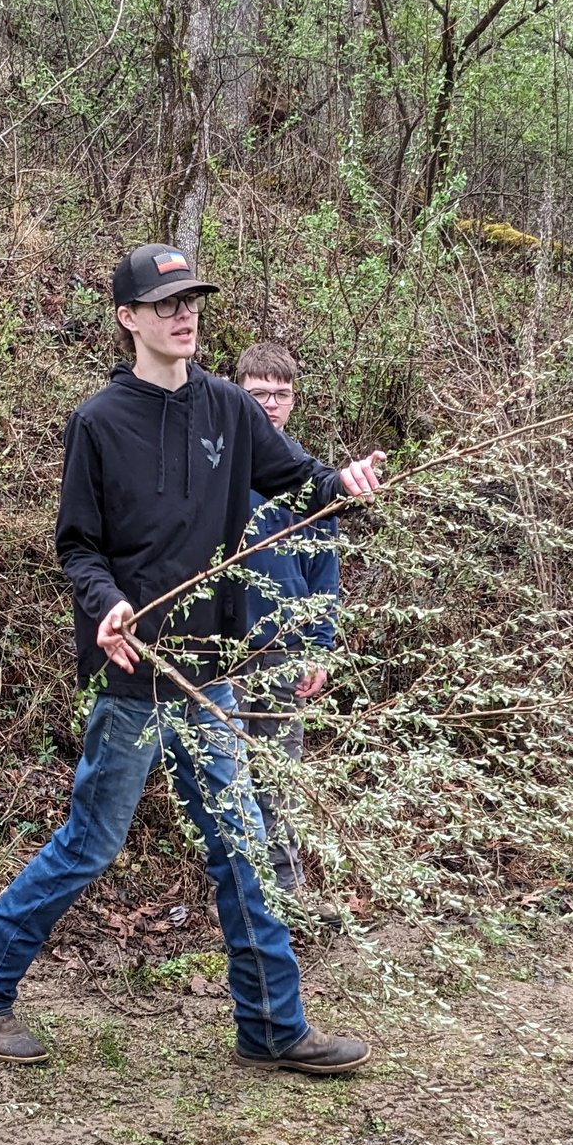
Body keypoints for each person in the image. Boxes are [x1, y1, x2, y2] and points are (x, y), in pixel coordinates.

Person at [0, 243, 385, 1075]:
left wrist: (343, 483)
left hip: (208, 670)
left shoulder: (227, 407)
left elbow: (298, 483)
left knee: (241, 844)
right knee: (91, 843)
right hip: (135, 674)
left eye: (192, 301)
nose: (184, 314)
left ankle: (271, 1025)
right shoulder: (98, 422)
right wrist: (107, 604)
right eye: (166, 302)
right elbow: (77, 547)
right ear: (128, 318)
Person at [233, 342, 339, 901]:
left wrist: (319, 650)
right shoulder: (219, 467)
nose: (271, 404)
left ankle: (287, 894)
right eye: (259, 394)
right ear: (238, 395)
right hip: (220, 649)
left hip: (284, 650)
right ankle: (236, 894)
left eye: (281, 394)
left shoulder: (307, 477)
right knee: (222, 779)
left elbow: (324, 575)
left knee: (278, 776)